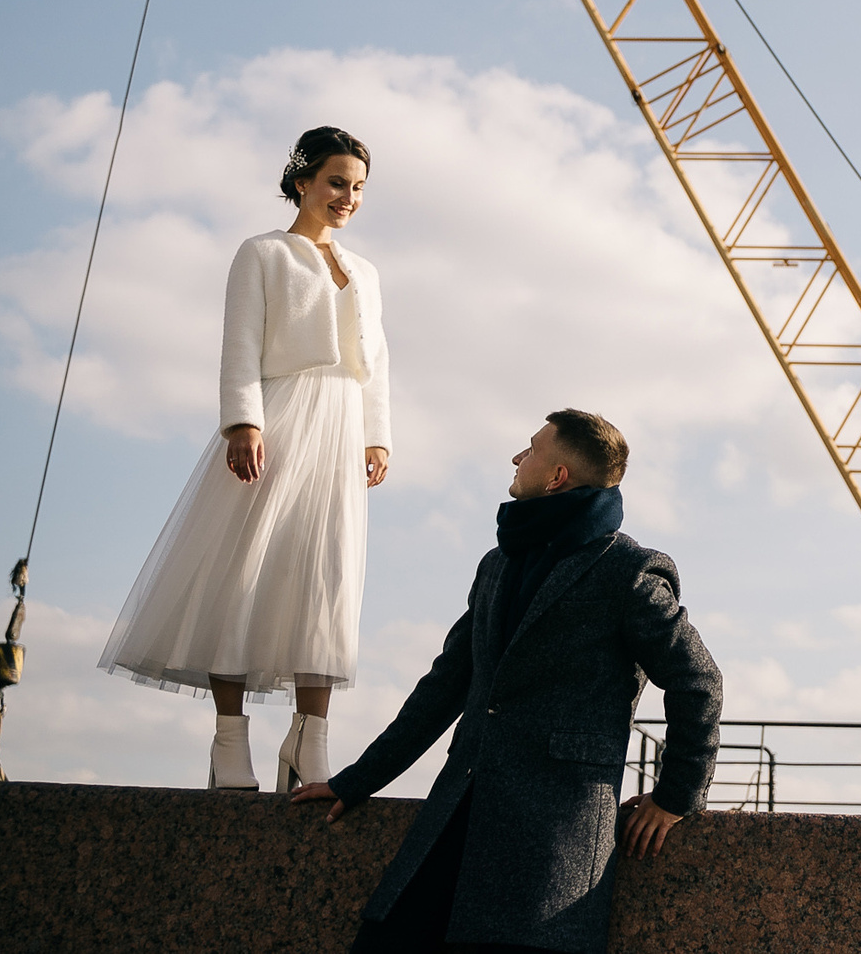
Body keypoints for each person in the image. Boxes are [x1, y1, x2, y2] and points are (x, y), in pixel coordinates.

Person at [291, 410, 722, 954]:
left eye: (531, 449)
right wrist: (359, 779)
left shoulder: (628, 571)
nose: (518, 459)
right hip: (457, 816)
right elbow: (446, 683)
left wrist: (677, 795)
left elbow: (698, 680)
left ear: (557, 475)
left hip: (552, 846)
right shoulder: (498, 563)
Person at [97, 125, 392, 792]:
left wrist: (378, 435)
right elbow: (239, 343)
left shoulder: (367, 272)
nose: (348, 196)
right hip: (280, 417)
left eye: (358, 187)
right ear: (302, 181)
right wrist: (242, 421)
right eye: (336, 181)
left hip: (341, 430)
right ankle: (230, 739)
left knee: (327, 581)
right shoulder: (262, 253)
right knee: (242, 571)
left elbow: (377, 366)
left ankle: (308, 740)